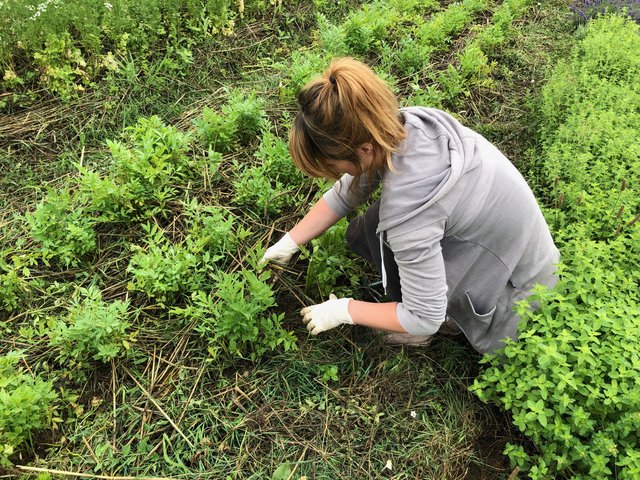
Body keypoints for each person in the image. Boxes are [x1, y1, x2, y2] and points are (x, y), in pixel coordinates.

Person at [262, 57, 559, 354]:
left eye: (332, 165)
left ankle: (444, 321)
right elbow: (348, 192)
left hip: (522, 303)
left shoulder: (411, 212)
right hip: (521, 255)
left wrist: (344, 310)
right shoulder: (407, 124)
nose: (334, 174)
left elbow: (424, 317)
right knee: (373, 227)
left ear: (364, 149)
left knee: (395, 242)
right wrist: (289, 242)